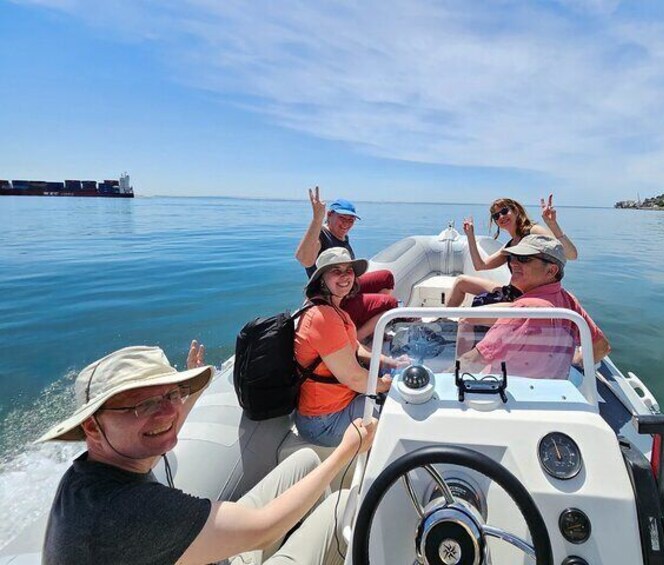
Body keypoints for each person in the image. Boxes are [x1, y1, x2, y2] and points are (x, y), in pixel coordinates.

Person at [39, 341, 376, 565]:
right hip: (231, 544)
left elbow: (157, 433)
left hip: (204, 553)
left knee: (304, 460)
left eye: (172, 395)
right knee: (340, 502)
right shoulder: (126, 511)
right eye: (144, 404)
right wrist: (347, 449)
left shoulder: (93, 469)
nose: (167, 412)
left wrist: (191, 394)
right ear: (92, 427)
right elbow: (263, 529)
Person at [295, 248, 408, 448]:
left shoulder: (335, 309)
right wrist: (386, 384)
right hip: (324, 422)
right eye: (336, 271)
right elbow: (354, 378)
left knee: (401, 394)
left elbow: (354, 345)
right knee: (403, 411)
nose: (344, 276)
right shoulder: (322, 317)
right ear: (321, 279)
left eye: (348, 270)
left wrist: (388, 361)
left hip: (341, 403)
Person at [457, 234, 610, 379]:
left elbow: (471, 362)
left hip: (507, 395)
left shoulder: (523, 311)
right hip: (552, 387)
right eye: (513, 257)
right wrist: (576, 362)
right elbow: (601, 347)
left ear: (551, 270)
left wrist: (448, 374)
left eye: (524, 259)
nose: (513, 263)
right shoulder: (568, 300)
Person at [295, 187, 397, 338]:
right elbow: (304, 258)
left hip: (347, 288)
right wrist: (317, 218)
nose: (346, 224)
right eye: (342, 218)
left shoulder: (342, 236)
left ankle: (369, 323)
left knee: (386, 277)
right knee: (390, 303)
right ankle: (356, 338)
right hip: (333, 299)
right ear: (329, 215)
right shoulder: (321, 235)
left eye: (351, 220)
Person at [446, 194, 579, 307]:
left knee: (469, 317)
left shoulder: (532, 231)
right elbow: (480, 265)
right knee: (461, 282)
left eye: (504, 211)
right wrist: (470, 236)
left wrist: (552, 224)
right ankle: (443, 321)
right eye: (496, 216)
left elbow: (570, 255)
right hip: (512, 292)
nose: (501, 217)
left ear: (515, 210)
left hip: (527, 297)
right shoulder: (510, 246)